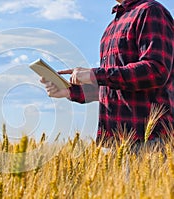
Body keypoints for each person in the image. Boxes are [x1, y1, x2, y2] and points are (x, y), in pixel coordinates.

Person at [41, 0, 174, 149]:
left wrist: (94, 75)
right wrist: (69, 91)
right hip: (114, 141)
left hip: (149, 140)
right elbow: (112, 87)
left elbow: (156, 70)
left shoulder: (151, 11)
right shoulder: (111, 28)